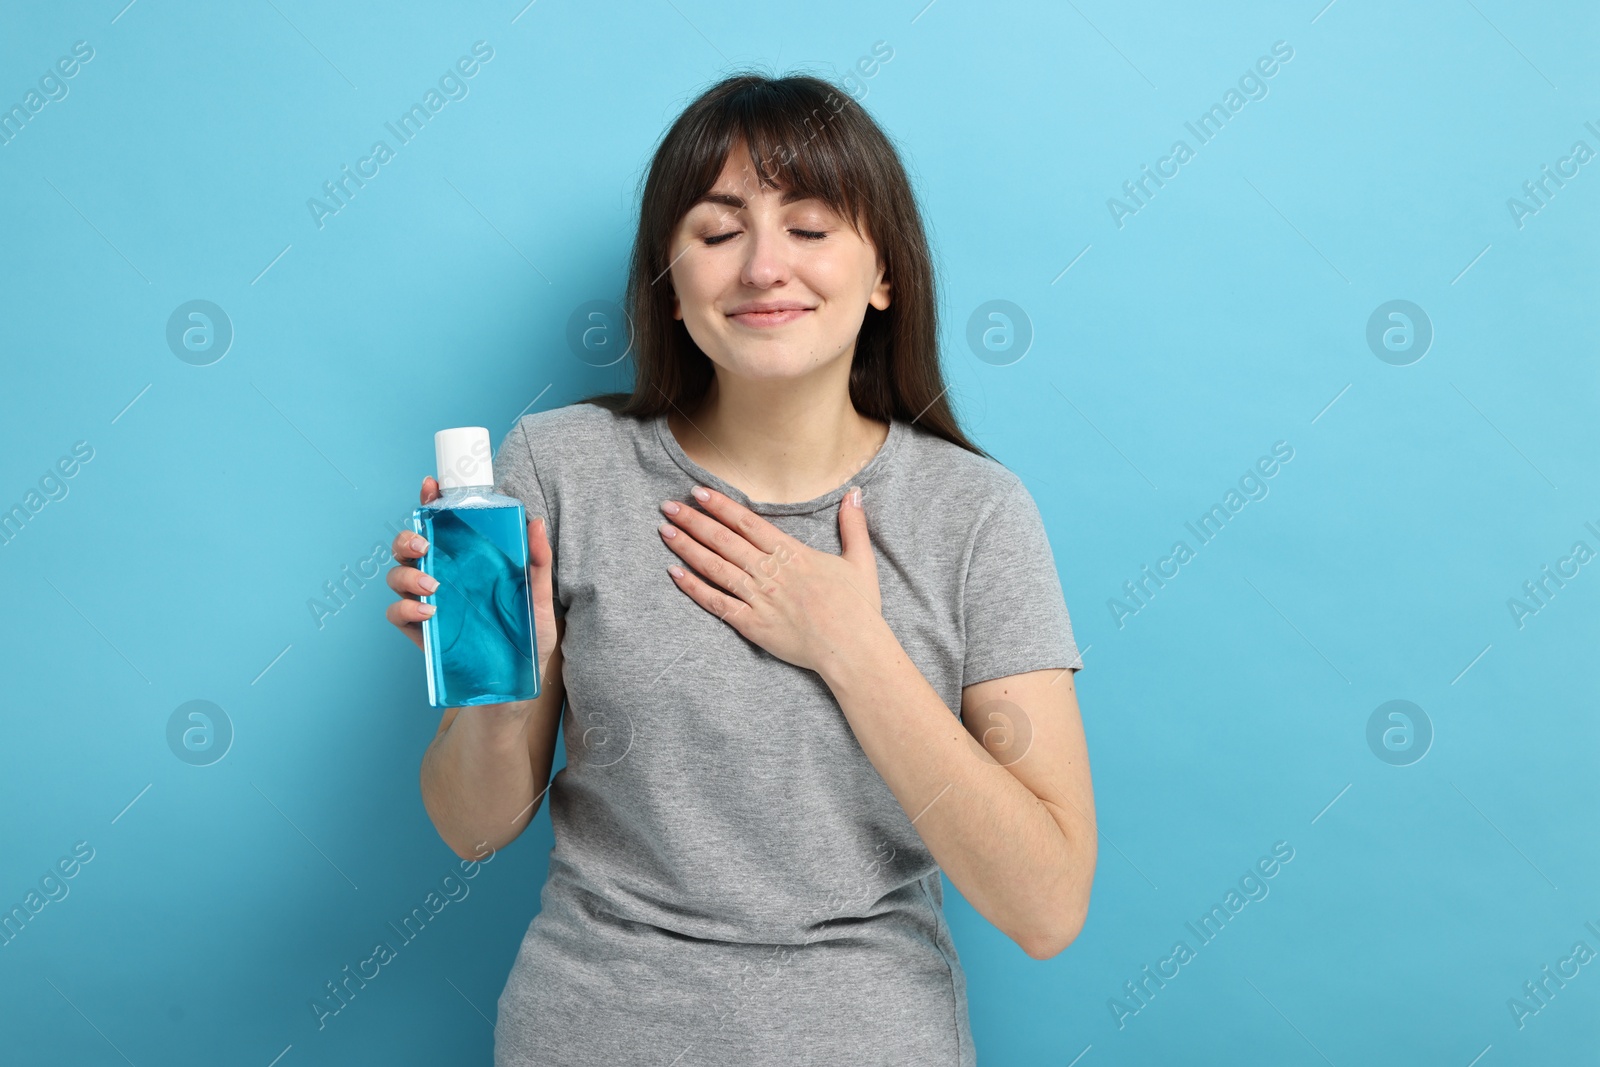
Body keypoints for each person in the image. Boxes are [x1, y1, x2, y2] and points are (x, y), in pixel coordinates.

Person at [386, 71, 1096, 1066]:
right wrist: (500, 686)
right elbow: (471, 828)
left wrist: (851, 645)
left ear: (883, 272)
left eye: (809, 227)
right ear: (669, 285)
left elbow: (1046, 904)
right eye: (718, 234)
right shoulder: (557, 467)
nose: (764, 266)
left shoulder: (973, 515)